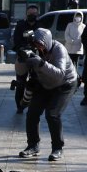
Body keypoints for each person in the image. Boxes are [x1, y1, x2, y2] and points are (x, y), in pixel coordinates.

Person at [17, 27, 77, 162]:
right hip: (44, 83)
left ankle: (57, 148)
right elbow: (21, 73)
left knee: (52, 114)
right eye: (36, 44)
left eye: (41, 44)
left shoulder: (58, 49)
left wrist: (41, 63)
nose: (38, 47)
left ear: (47, 42)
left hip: (64, 84)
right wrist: (21, 59)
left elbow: (59, 75)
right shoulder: (33, 50)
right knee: (32, 113)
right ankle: (33, 146)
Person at [12, 4, 40, 112]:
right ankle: (19, 106)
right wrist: (23, 49)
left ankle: (33, 106)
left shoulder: (40, 26)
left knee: (36, 83)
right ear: (26, 14)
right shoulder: (20, 25)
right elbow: (16, 41)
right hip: (22, 57)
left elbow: (44, 41)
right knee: (20, 83)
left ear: (37, 14)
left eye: (34, 14)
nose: (32, 15)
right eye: (30, 14)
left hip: (36, 57)